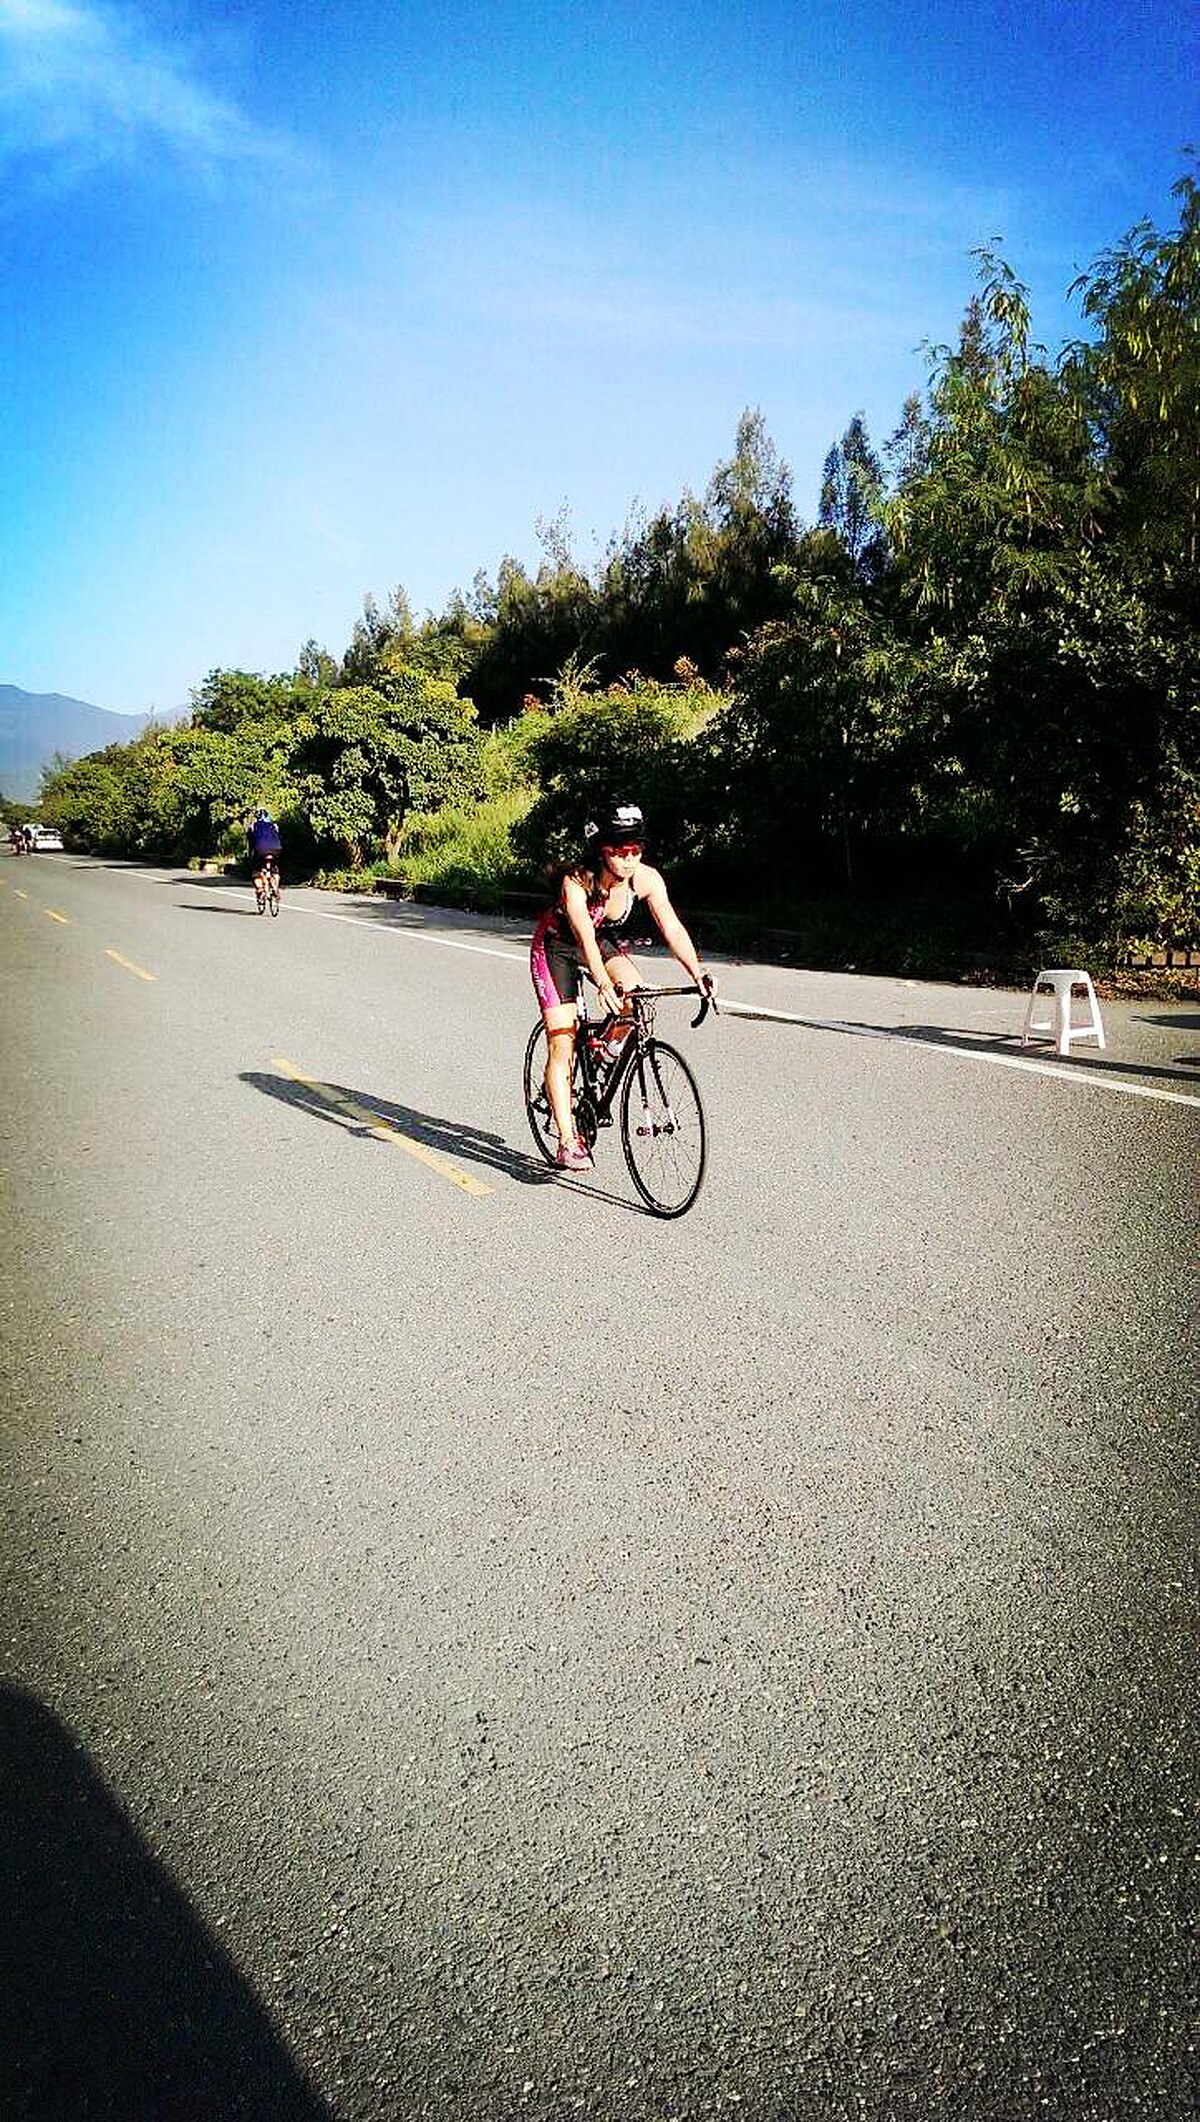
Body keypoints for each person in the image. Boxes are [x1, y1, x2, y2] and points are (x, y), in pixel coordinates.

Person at [529, 800, 714, 1172]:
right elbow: (582, 936)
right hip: (557, 948)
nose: (630, 858)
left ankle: (604, 1053)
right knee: (562, 1041)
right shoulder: (576, 882)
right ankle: (567, 1141)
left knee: (637, 998)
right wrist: (602, 983)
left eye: (636, 849)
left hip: (599, 943)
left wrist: (698, 974)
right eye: (620, 850)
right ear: (602, 850)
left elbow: (672, 927)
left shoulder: (646, 879)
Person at [247, 806, 282, 908]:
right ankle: (275, 888)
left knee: (256, 871)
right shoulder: (275, 825)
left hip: (261, 850)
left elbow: (251, 843)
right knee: (274, 869)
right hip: (277, 849)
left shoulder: (253, 826)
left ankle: (260, 890)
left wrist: (250, 855)